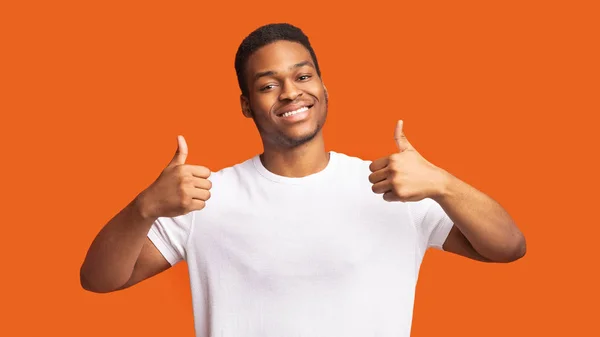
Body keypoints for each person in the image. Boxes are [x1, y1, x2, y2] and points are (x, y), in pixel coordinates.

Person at [80, 23, 526, 336]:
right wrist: (145, 206)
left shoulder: (394, 186)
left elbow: (508, 247)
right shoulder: (206, 198)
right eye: (268, 84)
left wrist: (444, 183)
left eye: (303, 75)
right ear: (246, 104)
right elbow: (98, 279)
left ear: (325, 89)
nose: (291, 92)